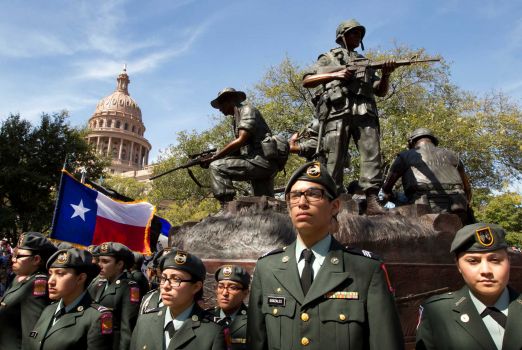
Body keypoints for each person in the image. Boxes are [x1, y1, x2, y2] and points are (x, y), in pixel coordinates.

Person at [247, 161, 404, 349]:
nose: (302, 203)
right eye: (295, 196)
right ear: (289, 208)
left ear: (335, 206)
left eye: (313, 194)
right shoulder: (267, 268)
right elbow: (257, 342)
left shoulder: (367, 269)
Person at [292, 19, 396, 215]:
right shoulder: (328, 58)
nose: (357, 37)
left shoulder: (365, 62)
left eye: (359, 34)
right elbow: (307, 80)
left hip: (364, 110)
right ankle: (331, 199)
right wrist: (337, 74)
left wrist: (386, 75)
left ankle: (372, 198)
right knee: (334, 155)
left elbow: (380, 91)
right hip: (338, 111)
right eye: (353, 33)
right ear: (342, 36)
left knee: (372, 152)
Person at [416, 223, 521, 349]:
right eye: (473, 261)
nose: (486, 270)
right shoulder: (437, 312)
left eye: (495, 260)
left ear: (508, 261)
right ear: (459, 266)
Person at [130, 248, 226, 350]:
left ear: (196, 287)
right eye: (164, 278)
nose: (166, 286)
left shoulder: (213, 331)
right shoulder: (145, 321)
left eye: (176, 279)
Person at [201, 87, 280, 205]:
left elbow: (241, 140)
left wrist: (215, 158)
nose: (220, 109)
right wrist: (214, 155)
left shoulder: (248, 110)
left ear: (230, 100)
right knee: (265, 203)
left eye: (221, 104)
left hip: (261, 161)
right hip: (258, 162)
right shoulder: (236, 117)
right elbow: (239, 148)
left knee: (216, 166)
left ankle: (226, 207)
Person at [26, 248, 113, 350]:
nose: (50, 281)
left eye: (60, 274)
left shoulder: (97, 318)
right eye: (50, 273)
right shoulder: (48, 310)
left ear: (80, 278)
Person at [382, 128, 472, 223]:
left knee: (393, 195)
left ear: (411, 142)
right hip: (457, 207)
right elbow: (468, 189)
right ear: (433, 141)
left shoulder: (404, 156)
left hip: (422, 208)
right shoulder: (453, 156)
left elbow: (386, 188)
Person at [0, 232, 57, 349]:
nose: (13, 260)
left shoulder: (37, 283)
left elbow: (32, 333)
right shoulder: (19, 278)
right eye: (14, 255)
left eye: (19, 256)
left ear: (36, 259)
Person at [89, 242, 140, 350]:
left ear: (120, 264)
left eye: (105, 261)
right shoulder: (99, 283)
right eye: (99, 261)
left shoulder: (129, 287)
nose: (99, 265)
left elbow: (127, 327)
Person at [208, 265, 250, 350]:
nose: (224, 293)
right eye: (220, 286)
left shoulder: (253, 321)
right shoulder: (205, 318)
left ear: (245, 293)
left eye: (232, 287)